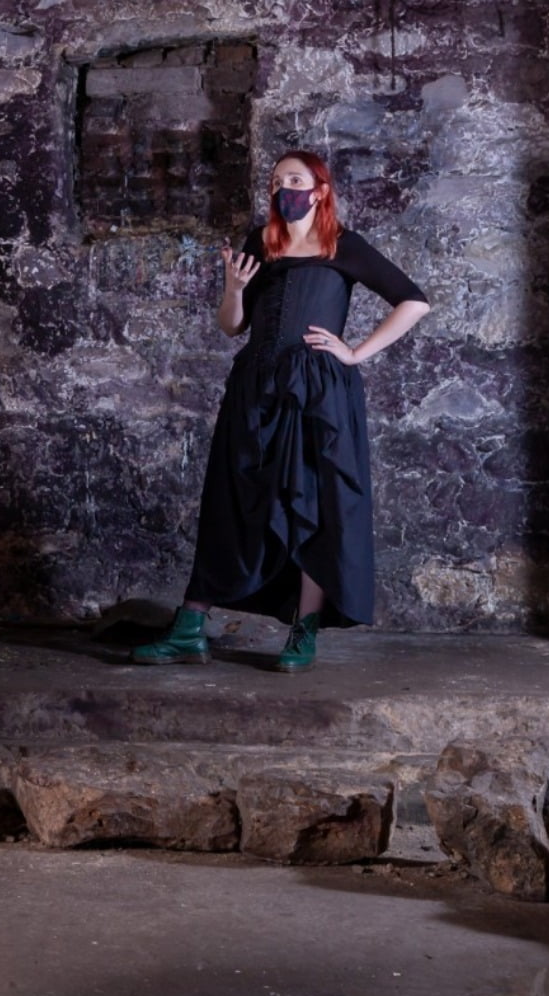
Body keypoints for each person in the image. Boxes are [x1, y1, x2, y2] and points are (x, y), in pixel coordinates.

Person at [132, 150, 431, 673]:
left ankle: (303, 631)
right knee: (232, 498)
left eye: (293, 180)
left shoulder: (345, 246)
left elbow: (413, 300)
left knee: (314, 506)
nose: (282, 189)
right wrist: (234, 289)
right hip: (255, 388)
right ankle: (189, 627)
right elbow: (232, 327)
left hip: (318, 394)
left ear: (319, 190)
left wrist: (355, 351)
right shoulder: (260, 244)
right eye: (276, 181)